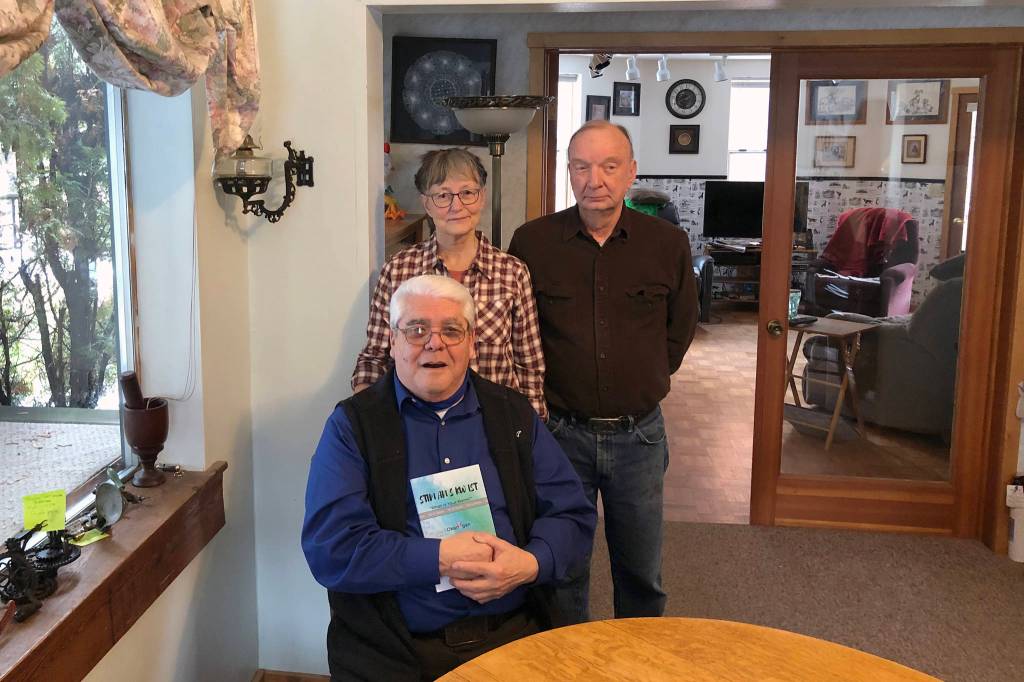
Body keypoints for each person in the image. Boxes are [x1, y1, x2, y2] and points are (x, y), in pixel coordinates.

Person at [304, 275, 595, 681]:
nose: (434, 343)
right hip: (395, 652)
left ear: (472, 343)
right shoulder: (353, 426)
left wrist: (530, 563)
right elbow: (332, 547)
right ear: (393, 341)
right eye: (417, 329)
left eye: (451, 330)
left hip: (513, 639)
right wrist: (441, 557)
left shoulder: (512, 415)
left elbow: (573, 517)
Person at [508, 121, 698, 623]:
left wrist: (648, 375)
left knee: (640, 571)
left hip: (639, 437)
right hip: (558, 435)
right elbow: (517, 332)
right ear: (568, 172)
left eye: (610, 166)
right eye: (582, 166)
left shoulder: (668, 244)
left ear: (631, 172)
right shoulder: (532, 243)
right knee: (561, 566)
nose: (597, 179)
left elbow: (681, 329)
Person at [352, 148, 547, 419]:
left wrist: (528, 438)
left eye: (468, 192)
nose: (457, 206)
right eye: (443, 195)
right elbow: (374, 360)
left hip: (495, 428)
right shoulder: (398, 271)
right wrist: (370, 424)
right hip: (416, 426)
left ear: (482, 197)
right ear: (426, 203)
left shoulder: (512, 273)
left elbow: (529, 369)